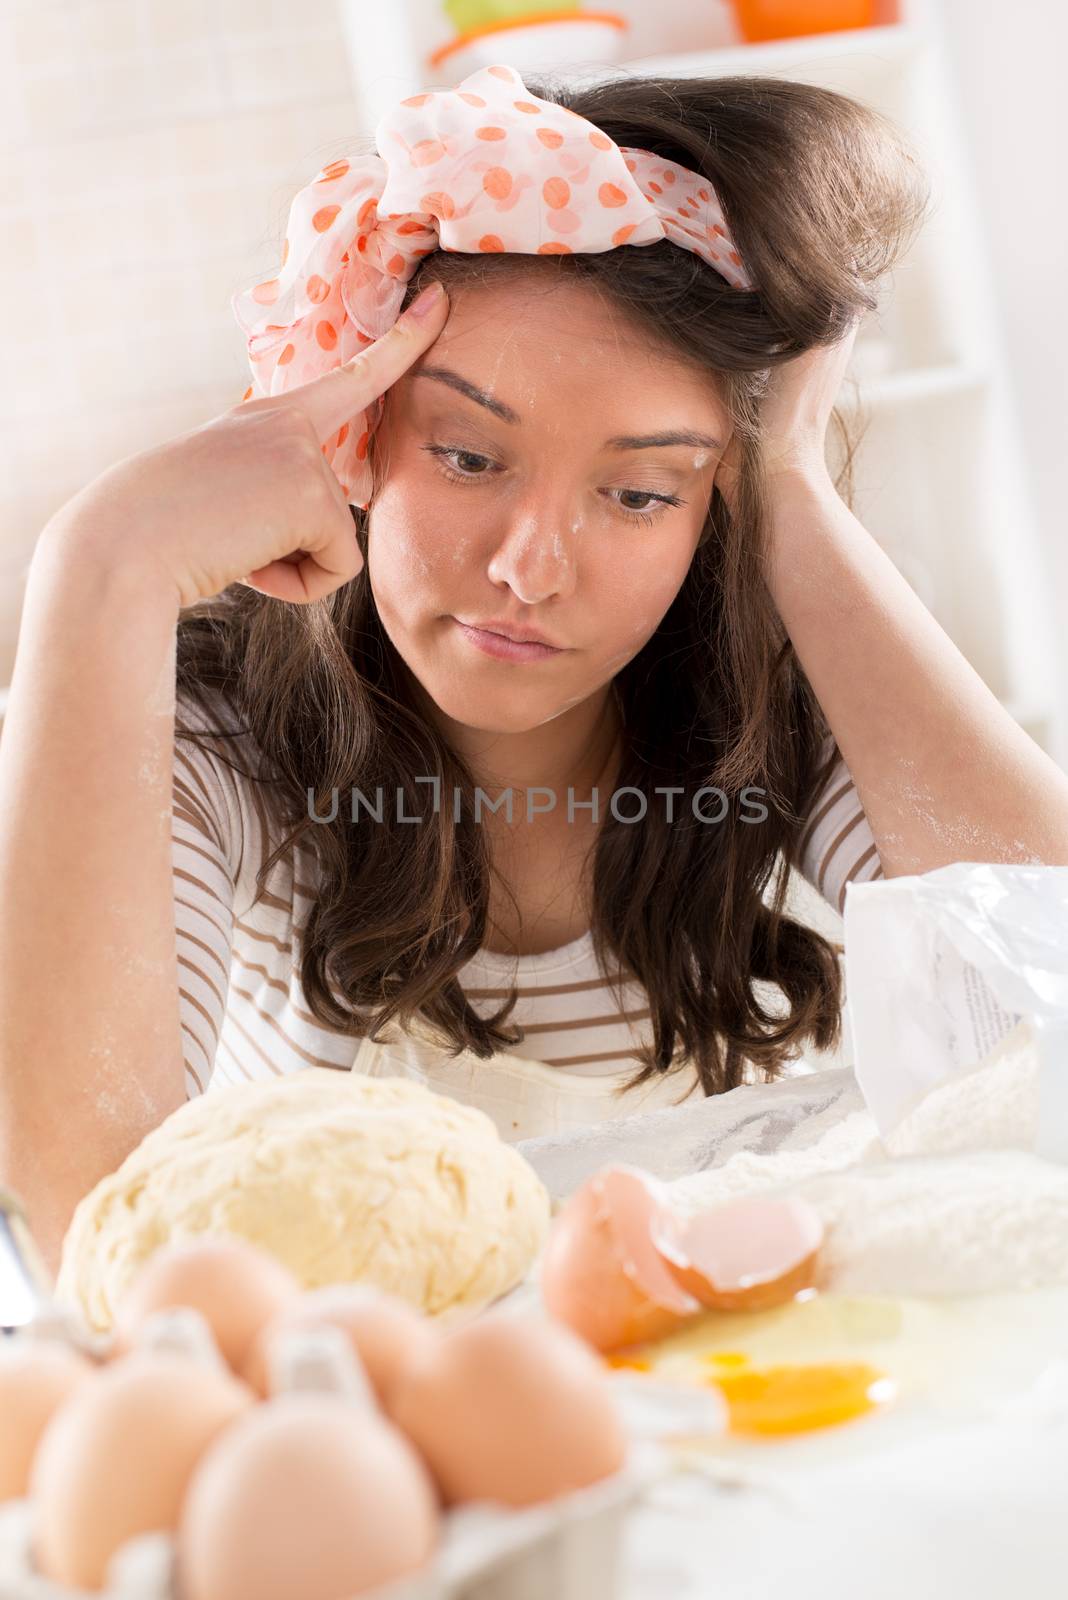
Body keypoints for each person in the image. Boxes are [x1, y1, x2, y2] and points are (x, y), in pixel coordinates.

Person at [4, 68, 1068, 1272]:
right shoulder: (210, 734)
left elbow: (1050, 988)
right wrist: (99, 564)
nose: (533, 567)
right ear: (355, 428)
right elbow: (89, 1233)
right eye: (466, 455)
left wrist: (792, 488)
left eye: (640, 491)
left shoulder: (775, 701)